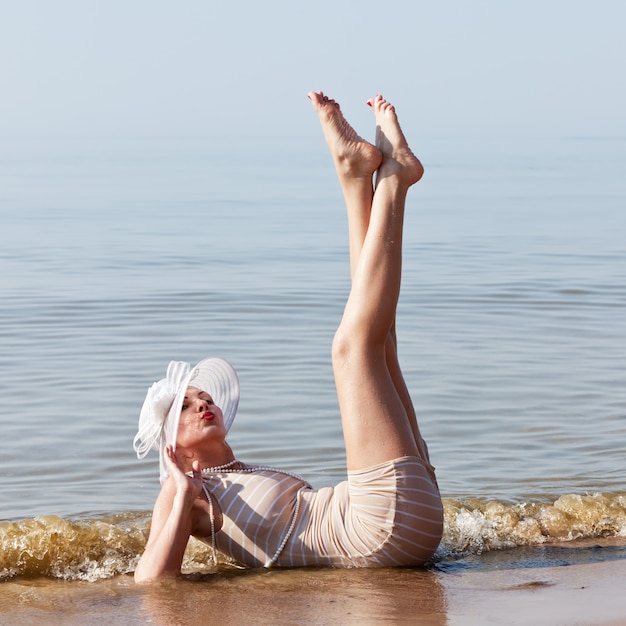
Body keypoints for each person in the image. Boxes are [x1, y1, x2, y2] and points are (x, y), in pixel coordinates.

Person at [132, 92, 444, 583]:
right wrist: (179, 490)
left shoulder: (235, 473)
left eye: (203, 395)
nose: (203, 402)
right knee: (350, 350)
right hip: (382, 528)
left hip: (393, 517)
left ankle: (356, 178)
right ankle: (394, 181)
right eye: (187, 405)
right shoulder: (183, 491)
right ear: (174, 444)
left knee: (379, 344)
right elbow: (152, 584)